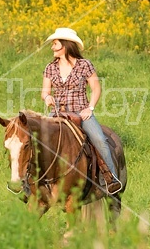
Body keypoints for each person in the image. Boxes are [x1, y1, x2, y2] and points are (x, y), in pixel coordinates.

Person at [41, 28, 121, 195]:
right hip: (58, 113)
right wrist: (47, 98)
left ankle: (111, 179)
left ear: (65, 46)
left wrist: (89, 108)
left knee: (100, 140)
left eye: (55, 44)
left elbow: (96, 88)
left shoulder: (85, 65)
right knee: (38, 140)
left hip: (80, 112)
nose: (52, 47)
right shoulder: (50, 68)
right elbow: (45, 92)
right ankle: (35, 183)